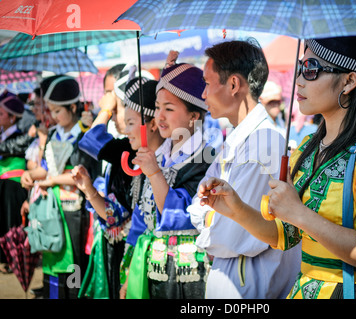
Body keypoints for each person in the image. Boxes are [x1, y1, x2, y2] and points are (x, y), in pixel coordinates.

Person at [196, 36, 356, 299]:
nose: (299, 80)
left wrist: (299, 214)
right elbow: (284, 235)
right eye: (301, 68)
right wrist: (236, 209)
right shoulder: (308, 147)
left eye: (311, 69)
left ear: (349, 81)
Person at [188, 39, 301, 299]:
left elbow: (230, 237)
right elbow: (199, 209)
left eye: (207, 83)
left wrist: (211, 221)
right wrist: (212, 218)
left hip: (248, 290)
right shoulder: (240, 139)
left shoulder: (264, 144)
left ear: (234, 84)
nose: (203, 94)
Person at [123, 54, 222, 299]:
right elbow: (142, 216)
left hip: (188, 274)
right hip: (150, 268)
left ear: (193, 116)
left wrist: (155, 173)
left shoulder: (206, 159)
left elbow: (180, 216)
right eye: (157, 108)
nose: (160, 116)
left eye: (169, 108)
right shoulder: (160, 154)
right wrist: (129, 274)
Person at [74, 74, 162, 299]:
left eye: (117, 105)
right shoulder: (132, 148)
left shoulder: (136, 152)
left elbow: (90, 140)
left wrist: (103, 111)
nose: (112, 113)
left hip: (140, 253)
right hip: (128, 250)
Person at [20, 75, 101, 299]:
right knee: (52, 258)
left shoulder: (85, 137)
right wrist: (31, 175)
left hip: (74, 211)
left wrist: (52, 180)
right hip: (50, 209)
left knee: (73, 262)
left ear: (72, 107)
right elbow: (47, 168)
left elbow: (84, 176)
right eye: (51, 111)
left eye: (57, 111)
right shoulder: (56, 134)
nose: (53, 117)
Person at [0, 91, 29, 273]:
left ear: (12, 117)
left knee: (12, 221)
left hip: (14, 184)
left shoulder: (20, 136)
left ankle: (14, 257)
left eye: (1, 114)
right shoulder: (3, 135)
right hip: (3, 183)